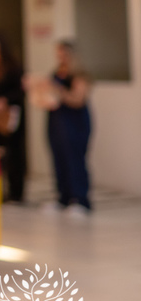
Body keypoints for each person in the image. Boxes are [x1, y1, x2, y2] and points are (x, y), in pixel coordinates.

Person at [48, 40, 93, 215]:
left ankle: (80, 199)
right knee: (59, 159)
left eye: (63, 54)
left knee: (75, 159)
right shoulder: (57, 72)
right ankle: (63, 198)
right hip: (57, 121)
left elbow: (78, 100)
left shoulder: (79, 75)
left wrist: (59, 92)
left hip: (74, 122)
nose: (60, 57)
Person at [0, 32, 26, 203]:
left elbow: (20, 91)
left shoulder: (13, 66)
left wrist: (5, 100)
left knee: (13, 153)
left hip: (10, 116)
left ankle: (16, 191)